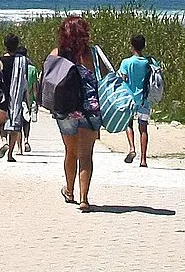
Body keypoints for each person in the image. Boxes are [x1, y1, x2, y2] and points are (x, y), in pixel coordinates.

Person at [47, 16, 106, 212]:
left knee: (70, 152)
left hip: (66, 111)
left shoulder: (57, 54)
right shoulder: (94, 55)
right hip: (91, 110)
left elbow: (48, 80)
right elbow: (106, 78)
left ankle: (69, 191)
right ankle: (84, 199)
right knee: (86, 155)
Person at [0, 33, 31, 162]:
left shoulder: (2, 60)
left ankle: (3, 141)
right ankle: (10, 154)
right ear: (17, 45)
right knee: (15, 127)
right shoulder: (23, 60)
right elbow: (24, 80)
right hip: (17, 97)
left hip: (3, 96)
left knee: (2, 123)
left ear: (5, 45)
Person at [118, 34, 155, 167]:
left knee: (128, 124)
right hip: (144, 99)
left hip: (130, 98)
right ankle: (143, 160)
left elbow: (122, 78)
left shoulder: (126, 62)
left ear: (132, 46)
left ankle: (132, 148)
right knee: (143, 128)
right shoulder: (149, 62)